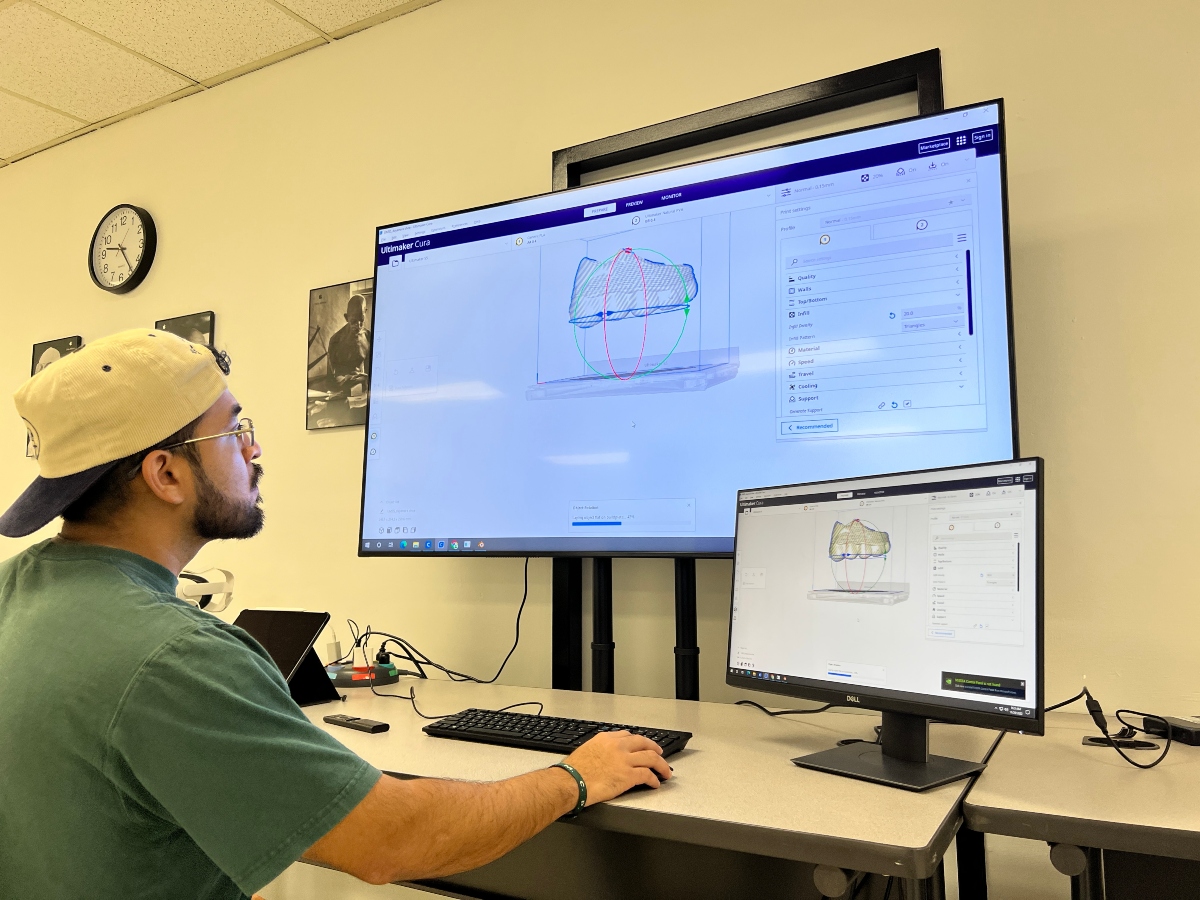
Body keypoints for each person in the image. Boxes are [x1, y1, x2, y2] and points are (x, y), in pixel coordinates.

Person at [0, 330, 669, 899]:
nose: (255, 452)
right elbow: (395, 839)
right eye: (236, 432)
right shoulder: (175, 658)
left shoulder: (13, 594)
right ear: (165, 475)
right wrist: (578, 776)